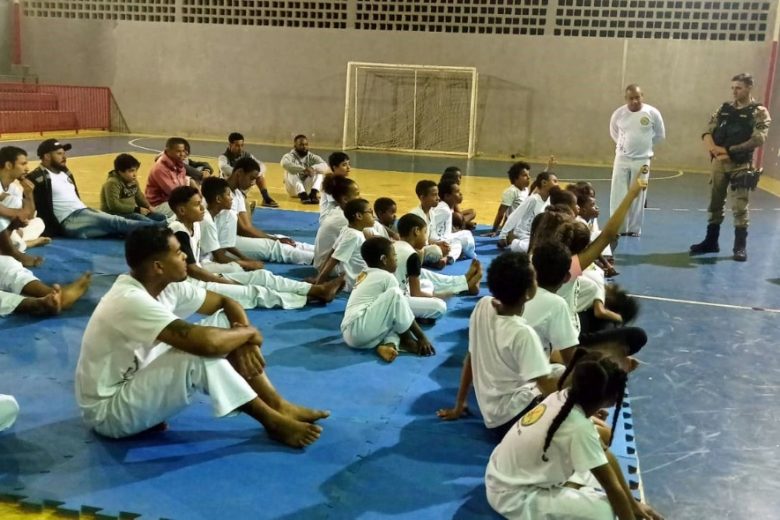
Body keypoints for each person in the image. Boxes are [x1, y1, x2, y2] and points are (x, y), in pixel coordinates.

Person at [74, 226, 328, 448]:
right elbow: (206, 344)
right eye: (177, 252)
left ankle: (278, 404)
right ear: (158, 267)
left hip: (135, 378)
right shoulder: (129, 300)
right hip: (108, 412)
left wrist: (242, 335)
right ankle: (271, 420)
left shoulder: (166, 285)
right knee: (199, 351)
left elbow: (225, 301)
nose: (185, 255)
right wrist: (248, 333)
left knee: (222, 327)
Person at [484, 351, 664, 520]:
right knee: (605, 512)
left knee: (598, 470)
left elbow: (606, 457)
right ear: (611, 399)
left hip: (502, 474)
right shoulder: (578, 427)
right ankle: (567, 494)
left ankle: (568, 491)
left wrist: (633, 505)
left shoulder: (562, 396)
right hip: (513, 496)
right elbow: (611, 487)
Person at [436, 252, 559, 438]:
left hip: (491, 415)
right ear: (527, 292)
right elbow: (548, 389)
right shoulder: (523, 333)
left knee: (556, 370)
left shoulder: (482, 306)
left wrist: (459, 405)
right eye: (535, 277)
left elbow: (471, 357)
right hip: (515, 417)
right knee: (566, 377)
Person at [168, 185, 342, 309]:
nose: (202, 208)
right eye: (197, 205)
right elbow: (193, 270)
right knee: (251, 292)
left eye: (201, 203)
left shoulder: (196, 224)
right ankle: (309, 296)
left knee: (262, 276)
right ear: (182, 211)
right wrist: (223, 279)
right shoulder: (177, 231)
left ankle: (314, 289)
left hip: (203, 274)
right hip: (189, 287)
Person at [690, 73, 771, 262]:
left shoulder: (758, 111)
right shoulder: (723, 108)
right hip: (719, 163)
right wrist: (715, 149)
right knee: (715, 203)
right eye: (733, 87)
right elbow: (708, 129)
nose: (735, 91)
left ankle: (739, 247)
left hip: (740, 164)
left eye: (739, 88)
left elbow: (759, 137)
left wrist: (730, 150)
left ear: (749, 88)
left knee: (740, 207)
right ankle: (711, 241)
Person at [28, 139, 159, 239]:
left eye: (64, 153)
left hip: (83, 211)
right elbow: (32, 209)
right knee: (117, 222)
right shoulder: (37, 178)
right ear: (46, 156)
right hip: (69, 220)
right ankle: (163, 228)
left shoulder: (65, 173)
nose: (64, 157)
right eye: (59, 154)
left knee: (117, 229)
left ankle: (157, 231)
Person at [340, 236, 435, 363]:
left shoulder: (366, 273)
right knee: (396, 295)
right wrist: (421, 337)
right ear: (384, 259)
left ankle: (390, 345)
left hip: (353, 336)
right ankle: (406, 341)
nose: (396, 259)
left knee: (394, 318)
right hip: (359, 329)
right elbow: (398, 302)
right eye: (394, 256)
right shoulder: (386, 276)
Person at [225, 157, 315, 265]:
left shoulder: (238, 194)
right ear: (239, 173)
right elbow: (244, 229)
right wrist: (273, 239)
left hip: (234, 237)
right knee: (274, 247)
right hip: (224, 244)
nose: (253, 183)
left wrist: (275, 238)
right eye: (251, 178)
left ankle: (325, 253)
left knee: (285, 240)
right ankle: (320, 261)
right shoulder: (222, 193)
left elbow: (247, 226)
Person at [393, 213, 481, 321]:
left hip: (398, 291)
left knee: (427, 283)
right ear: (416, 231)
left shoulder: (395, 245)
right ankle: (464, 286)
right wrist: (442, 296)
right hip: (397, 300)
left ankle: (464, 281)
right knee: (440, 306)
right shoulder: (412, 255)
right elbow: (416, 294)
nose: (426, 237)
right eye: (425, 232)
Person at [609, 84, 665, 237]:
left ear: (642, 96)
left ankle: (634, 228)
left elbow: (660, 134)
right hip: (622, 158)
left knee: (638, 195)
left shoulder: (652, 113)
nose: (634, 101)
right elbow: (614, 133)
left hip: (643, 160)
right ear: (626, 99)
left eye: (637, 97)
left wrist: (644, 146)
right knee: (618, 194)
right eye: (631, 98)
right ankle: (617, 227)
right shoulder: (619, 114)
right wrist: (625, 147)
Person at [314, 198, 373, 291]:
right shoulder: (354, 236)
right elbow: (333, 260)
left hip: (356, 279)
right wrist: (318, 285)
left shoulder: (347, 229)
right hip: (357, 284)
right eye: (370, 212)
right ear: (359, 216)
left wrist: (318, 277)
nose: (373, 216)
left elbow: (332, 252)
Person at [0, 145, 42, 267]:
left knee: (39, 222)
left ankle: (18, 242)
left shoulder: (14, 188)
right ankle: (12, 250)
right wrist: (18, 214)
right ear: (8, 165)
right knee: (13, 202)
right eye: (23, 164)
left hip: (4, 230)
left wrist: (29, 194)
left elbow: (29, 215)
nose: (27, 168)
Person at [498, 172, 559, 252]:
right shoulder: (533, 199)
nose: (557, 184)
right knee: (532, 249)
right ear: (544, 183)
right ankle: (512, 240)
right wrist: (503, 235)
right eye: (555, 181)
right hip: (524, 234)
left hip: (537, 234)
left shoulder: (550, 200)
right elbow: (516, 215)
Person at [100, 153, 167, 223]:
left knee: (160, 216)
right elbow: (114, 206)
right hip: (113, 216)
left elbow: (139, 196)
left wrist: (148, 207)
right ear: (120, 172)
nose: (135, 174)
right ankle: (160, 229)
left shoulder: (133, 181)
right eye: (131, 171)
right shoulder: (112, 183)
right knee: (142, 219)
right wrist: (137, 209)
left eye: (135, 170)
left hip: (130, 212)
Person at [217, 132, 278, 208]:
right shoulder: (223, 157)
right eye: (237, 146)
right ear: (230, 145)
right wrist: (242, 174)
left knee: (259, 174)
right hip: (228, 186)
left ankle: (266, 198)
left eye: (242, 145)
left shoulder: (247, 155)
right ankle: (242, 202)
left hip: (242, 183)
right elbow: (223, 167)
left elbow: (262, 165)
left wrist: (255, 175)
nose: (240, 148)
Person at [313, 176, 360, 270]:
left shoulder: (339, 211)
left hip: (323, 262)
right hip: (328, 267)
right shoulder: (344, 218)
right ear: (345, 199)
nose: (360, 198)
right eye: (357, 195)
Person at [145, 137, 196, 217]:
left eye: (183, 151)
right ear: (168, 151)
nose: (182, 154)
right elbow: (174, 193)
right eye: (178, 151)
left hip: (173, 200)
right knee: (189, 210)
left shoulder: (179, 164)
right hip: (158, 205)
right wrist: (192, 197)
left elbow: (182, 186)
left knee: (200, 203)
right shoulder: (160, 168)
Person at [410, 180, 453, 267]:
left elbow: (429, 239)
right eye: (434, 195)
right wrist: (437, 246)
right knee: (436, 251)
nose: (438, 198)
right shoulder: (415, 216)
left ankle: (437, 259)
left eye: (437, 194)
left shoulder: (431, 213)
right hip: (415, 249)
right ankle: (433, 261)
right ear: (422, 198)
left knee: (450, 244)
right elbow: (414, 243)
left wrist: (440, 243)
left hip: (425, 246)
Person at [485, 161, 531, 237]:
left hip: (523, 224)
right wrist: (494, 230)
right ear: (516, 178)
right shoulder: (511, 192)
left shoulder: (526, 189)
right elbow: (501, 213)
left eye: (528, 174)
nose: (528, 177)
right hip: (516, 227)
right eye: (524, 175)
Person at [435, 179, 477, 260]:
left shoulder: (448, 206)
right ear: (447, 196)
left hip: (443, 238)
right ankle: (472, 256)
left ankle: (448, 258)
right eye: (457, 192)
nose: (460, 194)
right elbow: (437, 232)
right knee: (466, 235)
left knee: (458, 243)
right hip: (437, 240)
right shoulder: (443, 209)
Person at [281, 135, 327, 204]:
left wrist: (312, 168)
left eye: (306, 144)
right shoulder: (289, 156)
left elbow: (325, 166)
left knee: (318, 171)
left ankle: (313, 194)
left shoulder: (311, 157)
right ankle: (302, 194)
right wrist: (303, 169)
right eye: (301, 145)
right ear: (295, 146)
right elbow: (284, 164)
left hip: (307, 189)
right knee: (290, 171)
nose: (304, 147)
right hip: (293, 190)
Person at [320, 151, 351, 221]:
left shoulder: (344, 181)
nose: (348, 167)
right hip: (329, 217)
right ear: (334, 167)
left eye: (349, 164)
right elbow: (339, 204)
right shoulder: (330, 182)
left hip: (338, 214)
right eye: (344, 165)